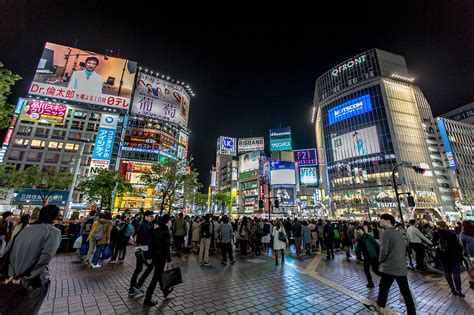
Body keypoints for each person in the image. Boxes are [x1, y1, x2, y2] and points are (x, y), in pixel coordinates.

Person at [1, 205, 61, 314]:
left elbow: (7, 251)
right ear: (55, 217)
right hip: (31, 282)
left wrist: (11, 276)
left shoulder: (25, 229)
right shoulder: (53, 232)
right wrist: (26, 279)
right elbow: (45, 258)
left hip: (11, 278)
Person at [364, 214, 416, 315]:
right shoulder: (398, 233)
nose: (380, 221)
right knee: (405, 292)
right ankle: (412, 312)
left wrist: (380, 261)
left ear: (388, 221)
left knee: (383, 288)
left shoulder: (387, 233)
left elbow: (383, 251)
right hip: (401, 267)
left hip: (390, 268)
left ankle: (378, 309)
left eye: (381, 220)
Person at [143, 214, 173, 307]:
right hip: (161, 257)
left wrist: (149, 256)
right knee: (155, 279)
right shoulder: (166, 232)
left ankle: (166, 291)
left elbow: (151, 245)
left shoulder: (156, 230)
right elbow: (166, 247)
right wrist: (169, 259)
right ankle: (147, 300)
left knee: (159, 274)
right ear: (167, 221)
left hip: (155, 256)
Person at [432, 221, 465, 297]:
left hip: (443, 257)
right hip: (454, 256)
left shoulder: (436, 234)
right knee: (456, 274)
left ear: (438, 226)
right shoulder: (452, 234)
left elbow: (433, 244)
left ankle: (453, 290)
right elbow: (457, 246)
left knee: (447, 273)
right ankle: (459, 290)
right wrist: (460, 258)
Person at [129, 211, 155, 298]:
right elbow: (148, 236)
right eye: (151, 216)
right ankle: (137, 285)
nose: (152, 218)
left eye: (152, 216)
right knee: (150, 266)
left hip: (140, 249)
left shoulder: (145, 224)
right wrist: (153, 230)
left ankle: (133, 288)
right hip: (143, 249)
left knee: (139, 268)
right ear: (146, 217)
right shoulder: (144, 226)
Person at [460, 220, 474, 289]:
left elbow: (462, 244)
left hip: (469, 255)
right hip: (471, 255)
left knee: (471, 268)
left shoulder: (463, 234)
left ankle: (472, 282)